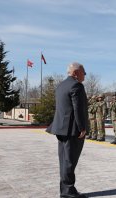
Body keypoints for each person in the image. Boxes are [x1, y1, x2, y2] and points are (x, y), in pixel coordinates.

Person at [46, 62, 88, 198]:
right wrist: (82, 127)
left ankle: (65, 190)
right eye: (83, 72)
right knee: (70, 161)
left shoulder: (61, 85)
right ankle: (68, 191)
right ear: (76, 73)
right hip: (72, 130)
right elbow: (78, 109)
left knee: (64, 160)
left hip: (61, 129)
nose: (85, 75)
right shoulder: (77, 86)